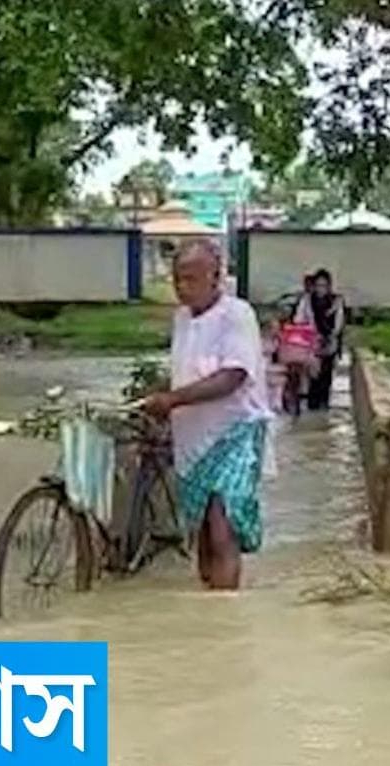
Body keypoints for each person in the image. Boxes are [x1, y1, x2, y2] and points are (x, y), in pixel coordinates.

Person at [140, 238, 274, 590]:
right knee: (201, 531)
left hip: (236, 431)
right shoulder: (182, 319)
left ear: (216, 277)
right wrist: (158, 398)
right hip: (193, 440)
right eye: (177, 280)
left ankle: (226, 614)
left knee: (221, 527)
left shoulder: (236, 315)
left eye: (191, 279)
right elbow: (185, 369)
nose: (183, 289)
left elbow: (233, 376)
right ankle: (210, 613)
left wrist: (172, 400)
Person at [292, 269, 346, 410]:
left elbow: (339, 323)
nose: (321, 289)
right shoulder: (307, 300)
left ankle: (323, 410)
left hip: (329, 343)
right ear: (314, 286)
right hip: (311, 343)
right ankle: (312, 409)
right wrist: (310, 333)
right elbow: (298, 320)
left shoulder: (336, 301)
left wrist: (331, 336)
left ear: (329, 286)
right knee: (312, 377)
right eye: (318, 285)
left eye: (324, 285)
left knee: (326, 377)